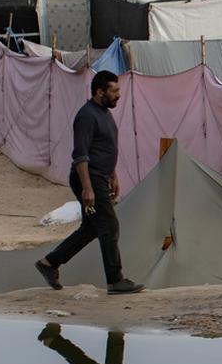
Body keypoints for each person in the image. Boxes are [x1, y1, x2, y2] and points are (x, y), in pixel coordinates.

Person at [36, 72, 143, 294]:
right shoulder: (86, 116)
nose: (118, 95)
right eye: (114, 91)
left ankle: (49, 263)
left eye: (118, 90)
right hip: (88, 178)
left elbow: (105, 147)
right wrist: (87, 188)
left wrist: (113, 175)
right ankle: (115, 280)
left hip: (100, 177)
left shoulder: (104, 113)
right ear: (99, 92)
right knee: (109, 225)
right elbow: (81, 155)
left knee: (92, 228)